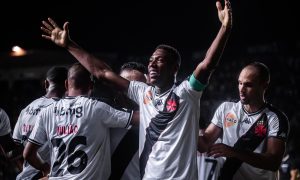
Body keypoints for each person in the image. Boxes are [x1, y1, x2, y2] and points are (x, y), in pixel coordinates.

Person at [40, 0, 232, 178]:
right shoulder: (143, 92)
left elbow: (207, 65)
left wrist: (224, 28)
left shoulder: (186, 93)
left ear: (174, 68)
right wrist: (69, 45)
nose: (152, 64)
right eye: (150, 61)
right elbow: (101, 72)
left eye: (160, 60)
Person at [23, 63, 139, 179]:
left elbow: (28, 154)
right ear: (92, 85)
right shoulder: (96, 108)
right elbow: (139, 118)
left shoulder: (46, 112)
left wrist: (45, 168)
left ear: (66, 84)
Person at [198, 62, 290, 180]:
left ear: (264, 86)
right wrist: (186, 123)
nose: (241, 89)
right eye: (240, 83)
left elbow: (273, 162)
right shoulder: (226, 109)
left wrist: (234, 152)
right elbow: (204, 144)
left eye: (248, 85)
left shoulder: (275, 118)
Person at [12, 66, 68, 180]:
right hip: (50, 175)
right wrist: (44, 168)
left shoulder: (26, 109)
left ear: (46, 83)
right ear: (67, 84)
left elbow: (15, 148)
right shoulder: (65, 111)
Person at [109, 61, 147, 180]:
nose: (130, 91)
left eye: (136, 86)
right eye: (124, 85)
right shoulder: (100, 115)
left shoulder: (154, 121)